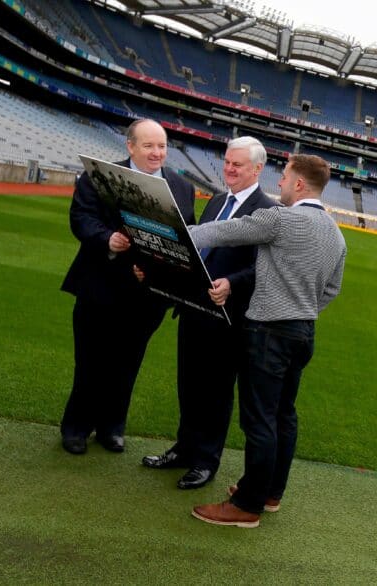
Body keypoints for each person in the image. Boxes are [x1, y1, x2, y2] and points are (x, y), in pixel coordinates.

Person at [188, 154, 346, 528]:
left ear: (299, 185)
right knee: (283, 415)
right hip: (303, 330)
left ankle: (247, 505)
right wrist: (301, 309)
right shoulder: (336, 234)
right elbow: (332, 290)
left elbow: (222, 231)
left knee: (259, 420)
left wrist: (175, 235)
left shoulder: (281, 218)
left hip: (268, 331)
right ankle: (271, 491)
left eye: (285, 178)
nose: (279, 184)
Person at [141, 136, 278, 490]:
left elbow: (265, 267)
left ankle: (205, 461)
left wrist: (232, 283)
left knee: (216, 393)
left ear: (258, 169)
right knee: (188, 385)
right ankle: (184, 449)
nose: (229, 169)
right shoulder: (217, 200)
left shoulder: (268, 211)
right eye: (228, 162)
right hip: (193, 310)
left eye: (238, 165)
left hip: (228, 318)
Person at [60, 119, 195, 455]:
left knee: (127, 364)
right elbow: (81, 218)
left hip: (148, 297)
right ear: (130, 146)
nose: (157, 152)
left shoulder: (181, 186)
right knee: (90, 361)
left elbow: (186, 236)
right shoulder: (99, 176)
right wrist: (107, 238)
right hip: (99, 288)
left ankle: (112, 428)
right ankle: (76, 427)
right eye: (149, 145)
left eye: (162, 145)